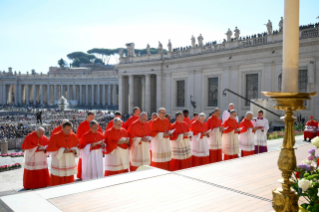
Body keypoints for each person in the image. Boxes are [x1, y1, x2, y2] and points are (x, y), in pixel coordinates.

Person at [46, 121, 80, 186]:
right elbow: (52, 149)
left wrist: (75, 150)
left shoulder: (73, 135)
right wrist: (62, 150)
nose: (68, 131)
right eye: (66, 130)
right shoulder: (55, 136)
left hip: (69, 160)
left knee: (69, 180)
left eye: (70, 130)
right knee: (58, 178)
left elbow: (78, 146)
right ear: (62, 128)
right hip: (59, 161)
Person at [76, 112, 102, 180]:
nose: (92, 118)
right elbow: (79, 137)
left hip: (96, 148)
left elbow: (100, 135)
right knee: (84, 161)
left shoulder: (96, 124)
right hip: (86, 145)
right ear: (87, 116)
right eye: (90, 117)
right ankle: (81, 175)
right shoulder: (82, 124)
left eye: (93, 117)